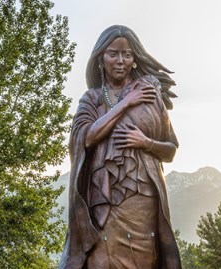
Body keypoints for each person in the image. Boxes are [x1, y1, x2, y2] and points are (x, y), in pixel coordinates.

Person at [60, 25, 181, 269]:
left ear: (135, 60)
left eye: (127, 55)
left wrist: (146, 142)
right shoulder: (92, 99)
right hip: (103, 201)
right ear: (100, 58)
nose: (120, 61)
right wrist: (126, 103)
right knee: (100, 260)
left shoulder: (148, 96)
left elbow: (170, 150)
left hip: (142, 200)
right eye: (113, 53)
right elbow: (86, 137)